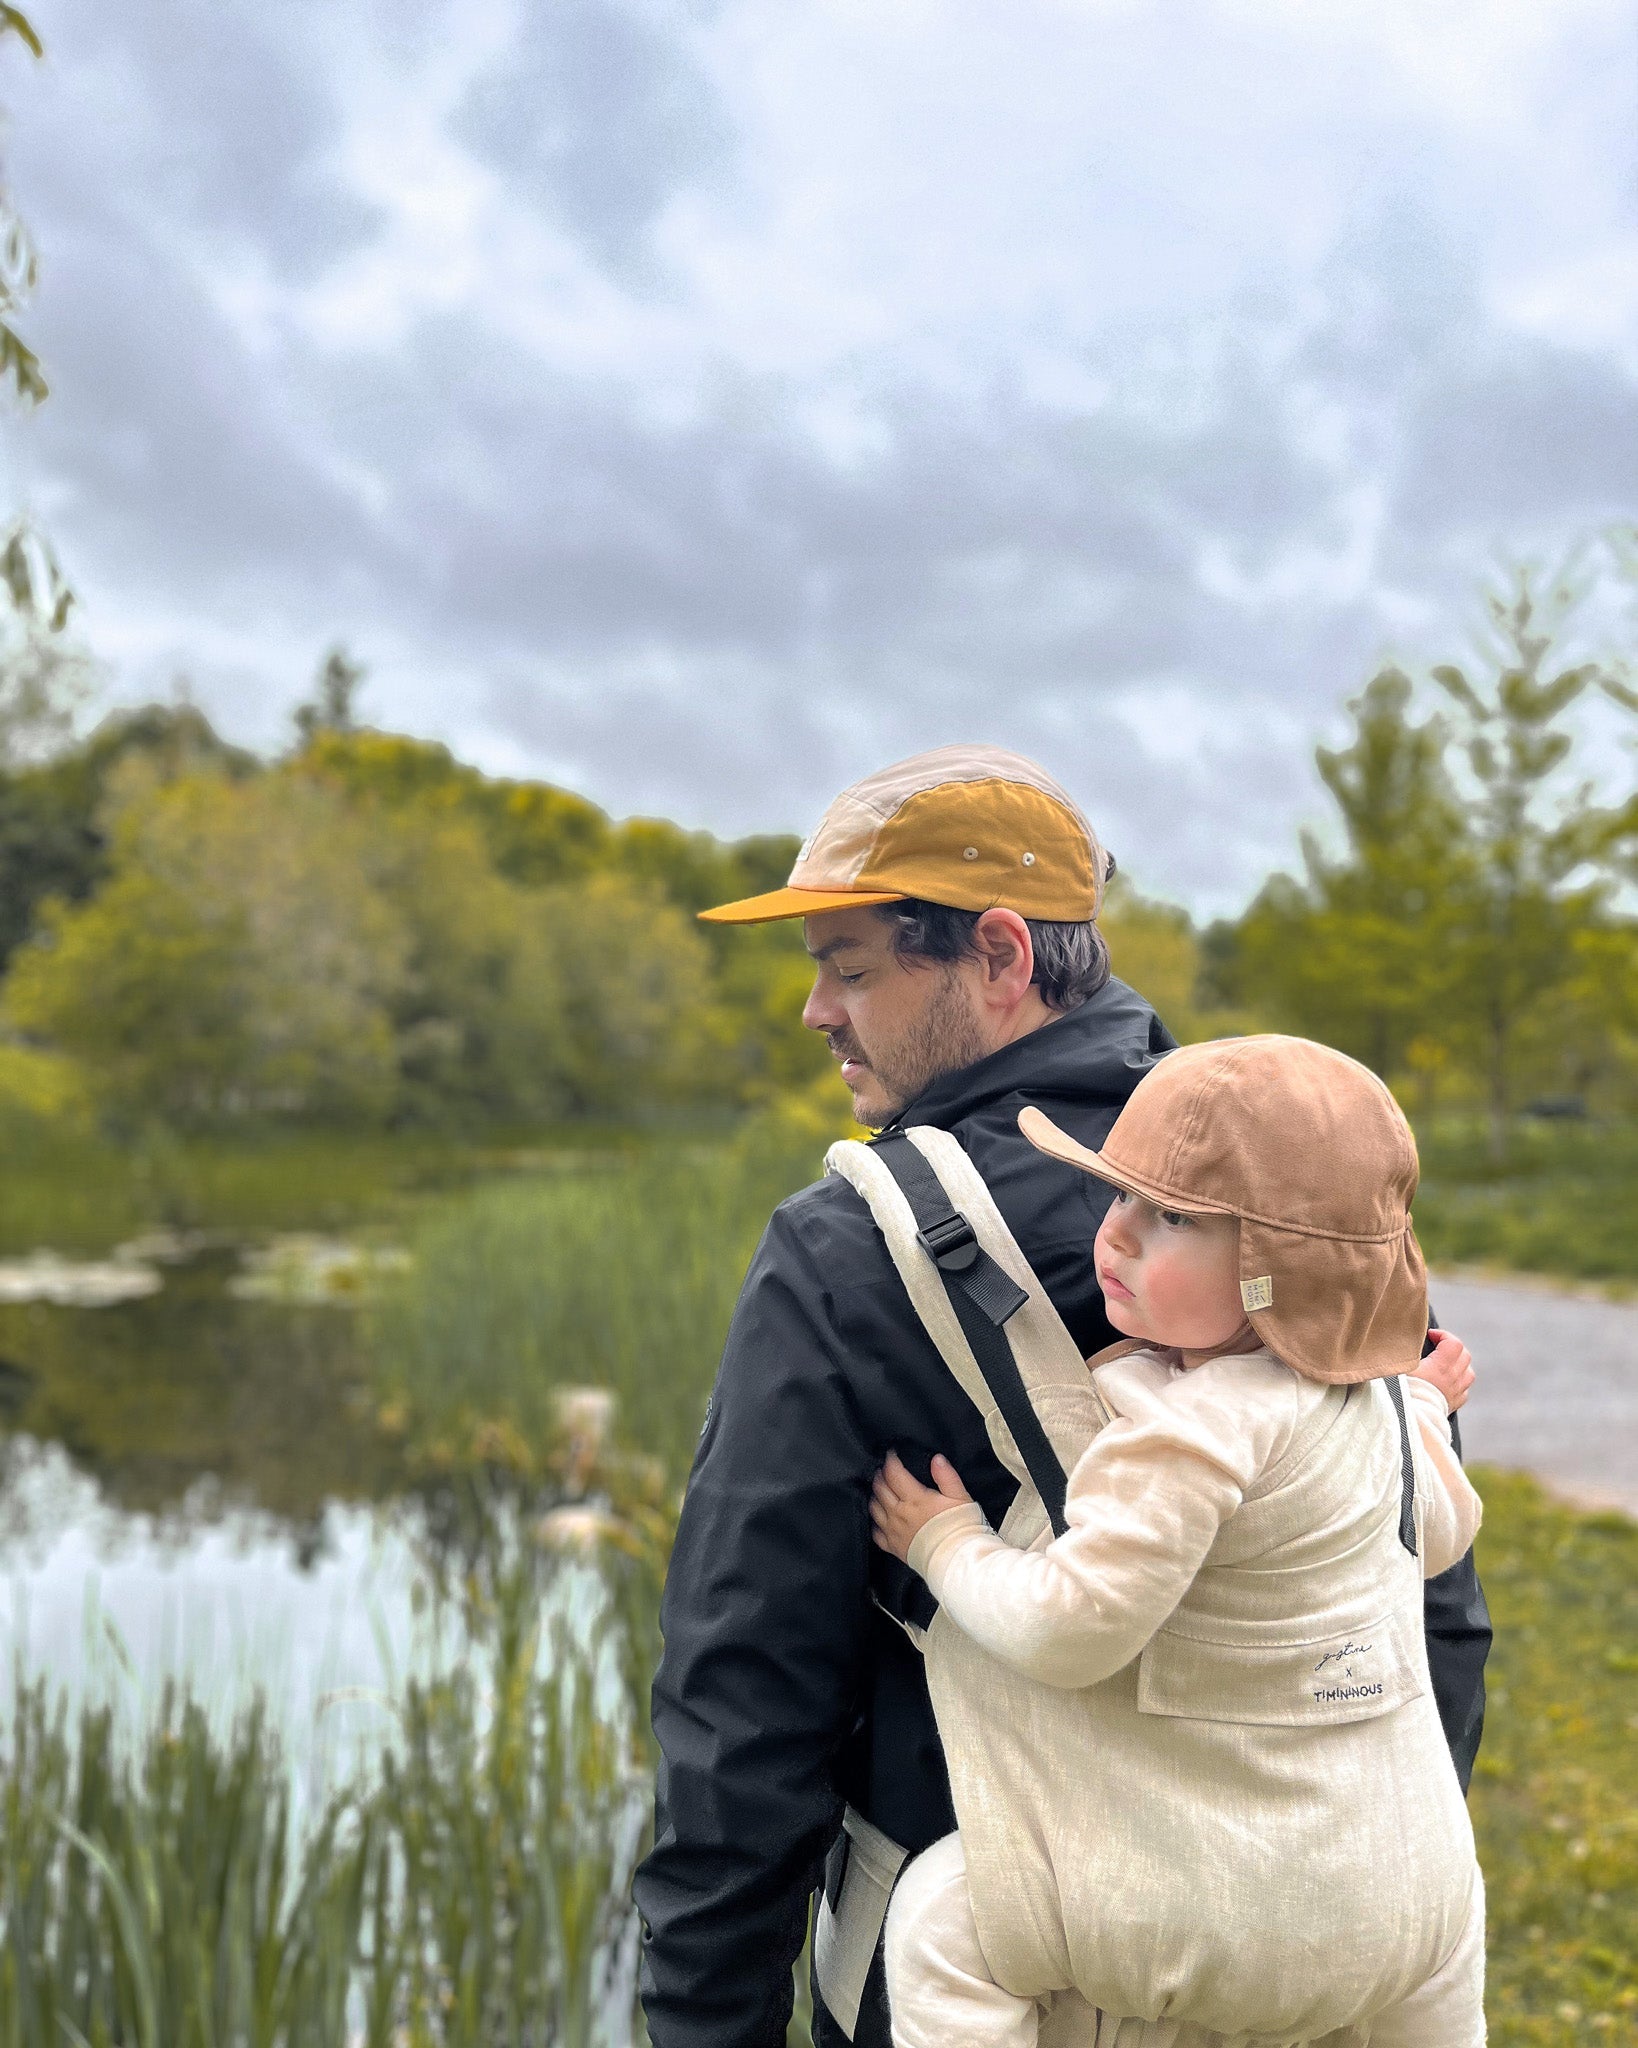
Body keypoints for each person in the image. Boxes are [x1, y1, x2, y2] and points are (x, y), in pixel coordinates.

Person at [632, 745, 1492, 2048]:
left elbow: (742, 1711)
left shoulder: (848, 1249)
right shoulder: (1300, 1166)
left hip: (991, 1977)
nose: (815, 1010)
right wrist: (1324, 1907)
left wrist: (708, 2025)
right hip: (1325, 1972)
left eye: (849, 965)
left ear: (997, 954)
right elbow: (1420, 1604)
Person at [871, 1037, 1485, 2047]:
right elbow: (1438, 1529)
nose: (1115, 1238)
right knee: (1440, 1947)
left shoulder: (1188, 1429)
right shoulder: (1374, 1405)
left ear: (1272, 1274)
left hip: (1239, 1918)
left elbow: (1074, 1627)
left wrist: (947, 1545)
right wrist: (1422, 1402)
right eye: (1119, 1198)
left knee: (945, 1918)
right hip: (1414, 1901)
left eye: (1174, 1218)